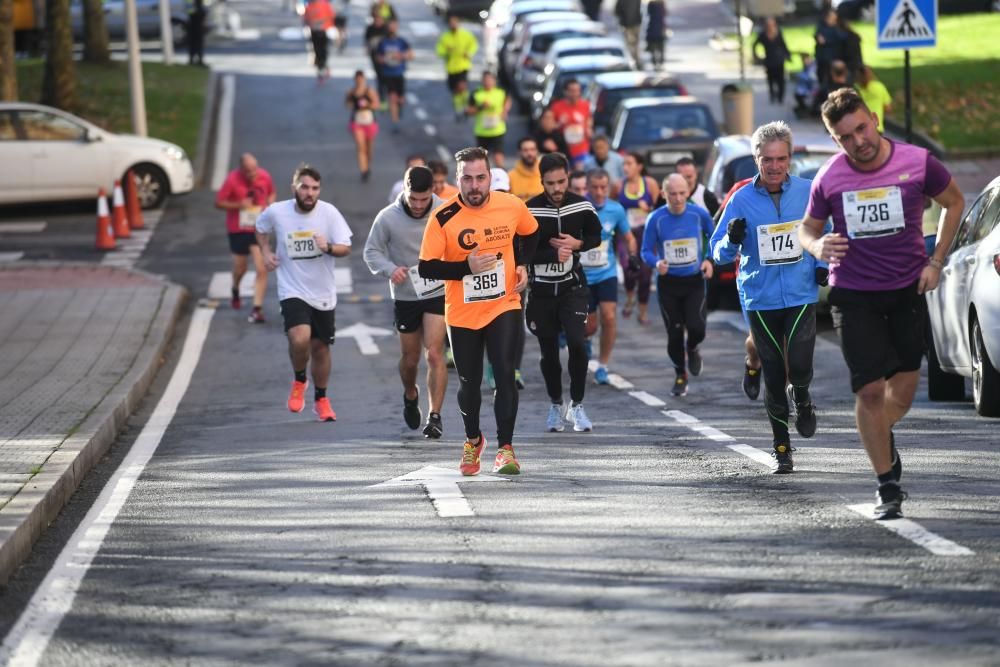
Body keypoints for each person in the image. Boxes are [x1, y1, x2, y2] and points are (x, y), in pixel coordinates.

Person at [798, 88, 964, 519]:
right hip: (853, 294)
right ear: (836, 141)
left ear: (874, 118)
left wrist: (937, 261)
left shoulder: (916, 162)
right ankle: (886, 485)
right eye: (845, 137)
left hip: (907, 289)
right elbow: (806, 230)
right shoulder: (829, 178)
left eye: (861, 129)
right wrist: (817, 248)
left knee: (902, 393)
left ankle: (881, 435)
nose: (857, 141)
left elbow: (954, 202)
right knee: (870, 389)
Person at [712, 121, 826, 473]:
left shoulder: (808, 192)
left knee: (801, 365)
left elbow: (829, 233)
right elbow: (716, 252)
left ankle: (803, 398)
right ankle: (782, 447)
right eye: (767, 160)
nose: (774, 166)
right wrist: (731, 238)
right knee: (774, 372)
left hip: (800, 293)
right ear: (756, 159)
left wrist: (822, 262)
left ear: (790, 158)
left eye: (781, 159)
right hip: (760, 298)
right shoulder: (741, 199)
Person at [418, 147, 539, 476]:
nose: (474, 186)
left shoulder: (511, 205)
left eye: (480, 178)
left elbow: (531, 233)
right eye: (467, 179)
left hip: (504, 303)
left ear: (490, 178)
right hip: (462, 312)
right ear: (457, 181)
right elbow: (426, 267)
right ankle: (473, 441)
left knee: (504, 373)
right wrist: (464, 268)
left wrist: (524, 264)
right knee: (469, 383)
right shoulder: (442, 217)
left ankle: (506, 449)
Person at [255, 165, 353, 422]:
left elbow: (346, 247)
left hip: (323, 291)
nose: (310, 193)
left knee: (320, 348)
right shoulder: (277, 211)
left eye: (315, 188)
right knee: (300, 338)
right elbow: (260, 228)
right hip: (292, 288)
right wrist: (265, 252)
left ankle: (321, 399)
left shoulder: (329, 213)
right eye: (305, 187)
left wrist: (328, 246)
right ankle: (300, 380)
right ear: (294, 187)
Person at [364, 166, 448, 438]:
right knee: (410, 359)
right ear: (405, 189)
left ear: (432, 192)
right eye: (414, 199)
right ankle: (411, 394)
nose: (418, 205)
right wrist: (390, 269)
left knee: (435, 353)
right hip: (405, 294)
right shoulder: (388, 217)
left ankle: (435, 415)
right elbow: (371, 252)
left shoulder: (445, 211)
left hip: (436, 290)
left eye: (424, 199)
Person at [525, 152, 602, 432]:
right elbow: (520, 250)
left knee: (577, 344)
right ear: (541, 182)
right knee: (549, 354)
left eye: (561, 182)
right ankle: (556, 405)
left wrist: (578, 244)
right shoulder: (530, 210)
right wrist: (550, 254)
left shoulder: (581, 206)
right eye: (550, 183)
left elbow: (597, 235)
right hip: (542, 292)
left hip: (573, 288)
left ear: (568, 178)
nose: (557, 189)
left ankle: (577, 406)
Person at [641, 174, 714, 397]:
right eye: (673, 194)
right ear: (664, 194)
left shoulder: (699, 214)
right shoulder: (656, 218)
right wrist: (657, 263)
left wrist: (709, 260)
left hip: (694, 281)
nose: (678, 198)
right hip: (669, 284)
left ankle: (692, 348)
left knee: (697, 328)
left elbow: (715, 238)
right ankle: (680, 375)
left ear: (688, 193)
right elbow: (645, 251)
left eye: (683, 193)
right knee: (674, 334)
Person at [583, 168, 637, 385]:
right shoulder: (579, 208)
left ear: (609, 188)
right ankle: (585, 339)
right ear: (587, 187)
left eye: (603, 187)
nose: (599, 192)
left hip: (606, 272)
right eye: (594, 187)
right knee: (590, 326)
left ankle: (603, 365)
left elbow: (628, 237)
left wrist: (633, 254)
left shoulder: (616, 210)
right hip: (582, 276)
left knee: (609, 316)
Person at [215, 153, 277, 323]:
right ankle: (235, 287)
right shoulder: (232, 180)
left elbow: (271, 193)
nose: (253, 174)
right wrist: (238, 205)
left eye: (254, 169)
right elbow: (219, 202)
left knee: (262, 267)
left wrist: (269, 205)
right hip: (238, 229)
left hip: (258, 228)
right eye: (248, 171)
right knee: (240, 267)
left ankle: (257, 308)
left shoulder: (264, 176)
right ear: (241, 170)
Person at [615, 152, 659, 325]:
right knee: (628, 268)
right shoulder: (618, 186)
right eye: (624, 164)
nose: (626, 167)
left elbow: (658, 209)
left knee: (646, 273)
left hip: (646, 233)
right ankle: (630, 296)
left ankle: (642, 312)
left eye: (629, 163)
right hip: (626, 234)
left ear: (639, 166)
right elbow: (611, 206)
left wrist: (648, 208)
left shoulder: (650, 184)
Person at [436, 13, 479, 122]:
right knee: (455, 90)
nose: (453, 25)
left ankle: (465, 106)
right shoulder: (445, 37)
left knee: (462, 86)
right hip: (451, 67)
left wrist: (469, 53)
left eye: (455, 22)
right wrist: (446, 52)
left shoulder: (465, 35)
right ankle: (458, 108)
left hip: (463, 65)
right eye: (451, 23)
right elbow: (439, 50)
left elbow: (473, 44)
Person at [467, 70, 512, 168]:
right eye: (485, 80)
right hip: (482, 131)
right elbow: (468, 111)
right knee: (482, 160)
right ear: (482, 81)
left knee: (498, 158)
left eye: (490, 80)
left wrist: (505, 111)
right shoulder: (476, 93)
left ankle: (502, 179)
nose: (488, 82)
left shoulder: (500, 91)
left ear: (494, 81)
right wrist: (481, 107)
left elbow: (508, 100)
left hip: (498, 130)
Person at [376, 19, 413, 132]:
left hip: (399, 73)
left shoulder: (402, 42)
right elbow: (378, 57)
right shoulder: (383, 42)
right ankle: (395, 122)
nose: (392, 29)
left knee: (400, 99)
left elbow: (411, 55)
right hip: (388, 73)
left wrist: (401, 56)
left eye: (394, 26)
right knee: (392, 98)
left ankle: (399, 107)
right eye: (390, 26)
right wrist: (384, 59)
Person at [549, 79, 593, 169]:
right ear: (565, 92)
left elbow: (589, 120)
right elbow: (549, 127)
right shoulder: (556, 107)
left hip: (581, 148)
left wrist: (588, 128)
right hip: (564, 149)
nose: (575, 94)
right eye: (572, 91)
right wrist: (560, 123)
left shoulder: (585, 105)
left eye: (577, 91)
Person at [346, 70, 380, 182]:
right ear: (355, 79)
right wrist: (352, 104)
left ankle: (367, 164)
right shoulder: (351, 92)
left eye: (361, 78)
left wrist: (367, 105)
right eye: (357, 79)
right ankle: (363, 170)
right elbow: (347, 104)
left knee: (369, 148)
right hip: (357, 123)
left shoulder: (369, 91)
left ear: (364, 79)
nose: (359, 81)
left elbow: (376, 105)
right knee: (361, 147)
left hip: (369, 122)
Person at [753, 17, 791, 105]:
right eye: (768, 25)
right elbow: (755, 45)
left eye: (772, 24)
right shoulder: (763, 35)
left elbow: (783, 45)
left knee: (781, 80)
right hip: (769, 61)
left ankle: (780, 98)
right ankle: (772, 96)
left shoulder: (778, 33)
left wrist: (788, 55)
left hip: (779, 60)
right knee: (770, 81)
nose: (770, 26)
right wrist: (756, 56)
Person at [303, 0, 335, 81]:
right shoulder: (309, 5)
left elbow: (330, 15)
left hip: (322, 31)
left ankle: (323, 66)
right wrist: (309, 23)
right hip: (314, 31)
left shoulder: (324, 4)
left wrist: (325, 23)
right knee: (316, 50)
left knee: (323, 50)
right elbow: (306, 18)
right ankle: (320, 68)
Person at [855, 65, 892, 133]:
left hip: (859, 128)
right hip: (876, 126)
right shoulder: (879, 87)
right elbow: (888, 108)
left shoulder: (855, 89)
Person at [508, 137, 543, 201]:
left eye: (532, 149)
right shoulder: (510, 176)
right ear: (519, 152)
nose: (529, 153)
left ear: (537, 151)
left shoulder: (545, 173)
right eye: (525, 150)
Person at [813, 7, 842, 86]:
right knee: (820, 74)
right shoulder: (821, 25)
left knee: (830, 75)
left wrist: (825, 41)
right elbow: (817, 34)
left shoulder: (836, 28)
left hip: (831, 56)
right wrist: (817, 37)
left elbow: (838, 40)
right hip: (821, 55)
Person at [365, 13, 389, 103]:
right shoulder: (370, 28)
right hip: (375, 55)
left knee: (387, 76)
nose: (378, 21)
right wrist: (368, 49)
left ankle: (386, 95)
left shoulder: (386, 28)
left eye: (380, 19)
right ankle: (381, 97)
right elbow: (367, 40)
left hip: (386, 56)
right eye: (377, 19)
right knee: (380, 76)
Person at [615, 0, 643, 67]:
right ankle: (636, 60)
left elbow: (616, 11)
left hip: (627, 25)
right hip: (635, 24)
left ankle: (634, 60)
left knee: (630, 44)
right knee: (635, 44)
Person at [837, 15, 863, 84]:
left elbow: (847, 52)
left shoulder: (844, 37)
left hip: (849, 64)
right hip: (856, 63)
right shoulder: (854, 36)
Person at [793, 53, 819, 118]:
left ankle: (806, 109)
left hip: (814, 88)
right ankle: (803, 108)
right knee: (798, 93)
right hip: (809, 87)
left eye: (806, 59)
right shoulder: (807, 66)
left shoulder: (813, 67)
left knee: (799, 94)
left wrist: (800, 76)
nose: (805, 61)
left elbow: (812, 78)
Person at [645, 0, 667, 68]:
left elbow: (648, 14)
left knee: (653, 49)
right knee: (661, 48)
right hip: (660, 29)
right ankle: (660, 63)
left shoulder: (651, 4)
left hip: (652, 29)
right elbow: (665, 14)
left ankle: (655, 64)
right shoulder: (662, 3)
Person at [187, 0, 206, 66]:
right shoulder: (193, 7)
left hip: (197, 28)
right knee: (195, 45)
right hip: (194, 28)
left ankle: (198, 60)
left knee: (197, 45)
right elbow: (190, 14)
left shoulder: (198, 7)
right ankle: (192, 60)